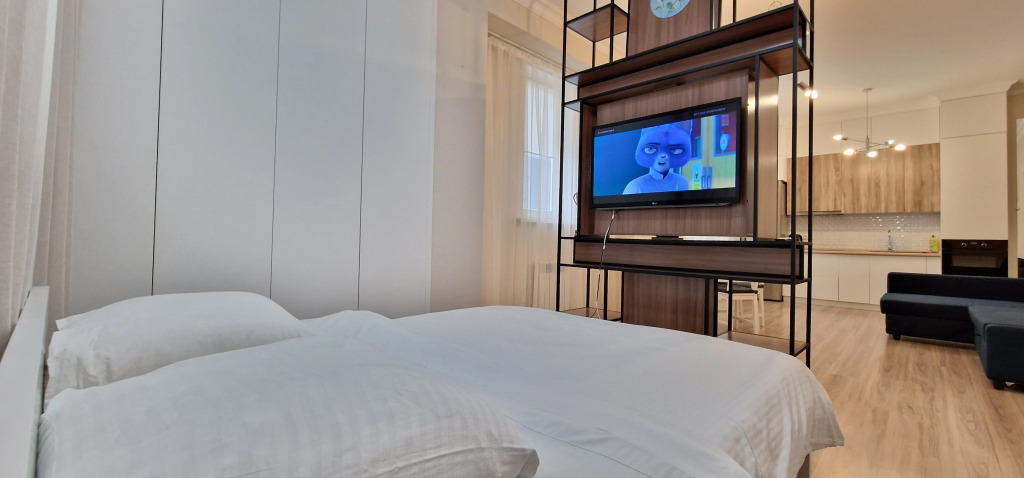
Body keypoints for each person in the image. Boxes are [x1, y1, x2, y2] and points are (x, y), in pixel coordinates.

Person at [622, 121, 692, 194]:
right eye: (651, 149)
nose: (662, 155)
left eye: (674, 149)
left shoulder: (682, 182)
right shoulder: (635, 186)